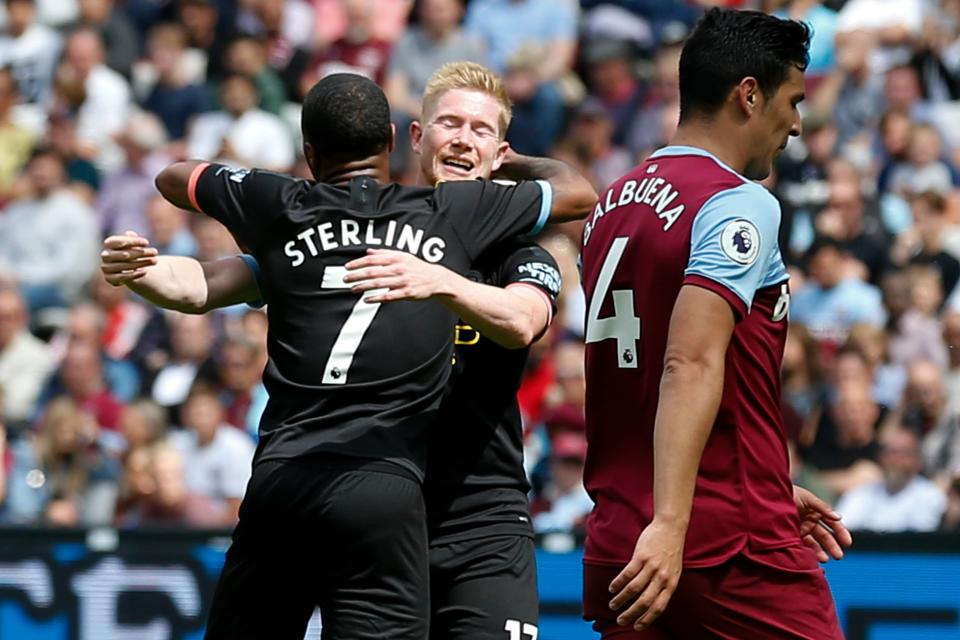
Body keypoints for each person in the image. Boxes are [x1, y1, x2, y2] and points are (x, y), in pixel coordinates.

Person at [103, 62, 583, 640]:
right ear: (410, 137)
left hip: (476, 520)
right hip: (383, 503)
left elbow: (524, 319)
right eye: (449, 124)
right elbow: (210, 282)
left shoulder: (510, 242)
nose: (462, 138)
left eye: (481, 131)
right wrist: (149, 271)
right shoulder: (372, 228)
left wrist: (442, 281)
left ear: (501, 151)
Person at [579, 9, 850, 638]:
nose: (797, 124)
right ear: (748, 95)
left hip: (625, 538)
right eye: (793, 100)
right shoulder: (738, 203)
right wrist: (678, 522)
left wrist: (770, 479)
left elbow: (642, 372)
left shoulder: (612, 203)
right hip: (723, 545)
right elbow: (689, 363)